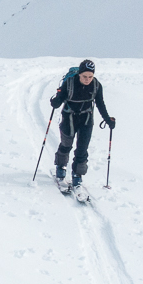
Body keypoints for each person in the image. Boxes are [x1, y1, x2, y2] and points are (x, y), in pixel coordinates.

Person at [48, 59, 116, 195]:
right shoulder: (70, 83)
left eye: (90, 76)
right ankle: (60, 169)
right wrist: (55, 102)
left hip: (86, 119)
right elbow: (60, 98)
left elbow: (100, 104)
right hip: (69, 118)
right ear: (79, 74)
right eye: (84, 76)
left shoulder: (96, 85)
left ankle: (77, 176)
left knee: (82, 149)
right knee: (66, 144)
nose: (87, 79)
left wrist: (107, 119)